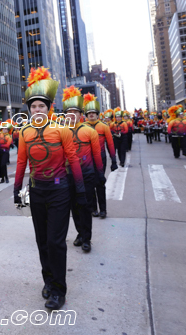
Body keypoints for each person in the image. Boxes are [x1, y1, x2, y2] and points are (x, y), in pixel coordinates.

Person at [13, 67, 85, 310]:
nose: (37, 110)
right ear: (29, 110)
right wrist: (17, 189)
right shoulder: (25, 132)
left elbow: (73, 160)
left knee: (56, 242)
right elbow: (21, 163)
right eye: (33, 106)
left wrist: (80, 190)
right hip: (36, 192)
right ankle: (48, 281)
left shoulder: (62, 130)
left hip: (59, 191)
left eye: (41, 106)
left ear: (49, 108)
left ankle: (58, 290)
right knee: (42, 240)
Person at [63, 87, 104, 253]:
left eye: (75, 112)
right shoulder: (60, 131)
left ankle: (87, 238)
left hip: (86, 175)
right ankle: (80, 233)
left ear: (81, 114)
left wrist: (100, 174)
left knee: (85, 206)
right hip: (68, 176)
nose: (72, 114)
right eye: (69, 112)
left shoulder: (89, 131)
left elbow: (97, 155)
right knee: (73, 207)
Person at [84, 95, 118, 218]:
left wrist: (114, 160)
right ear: (86, 115)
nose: (91, 115)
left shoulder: (104, 126)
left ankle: (103, 210)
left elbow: (110, 144)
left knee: (100, 183)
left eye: (93, 113)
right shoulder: (82, 127)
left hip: (100, 159)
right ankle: (93, 209)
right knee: (89, 185)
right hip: (87, 160)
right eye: (89, 113)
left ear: (97, 114)